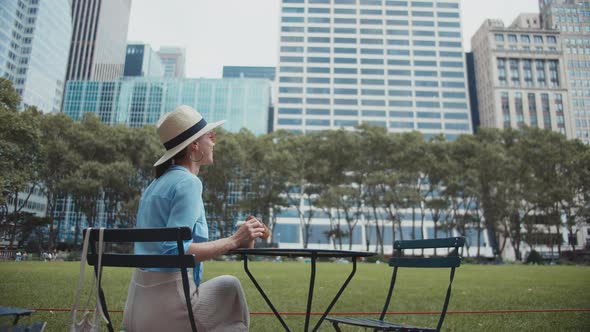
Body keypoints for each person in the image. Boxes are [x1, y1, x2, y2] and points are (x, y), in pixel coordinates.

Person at [123, 105, 266, 332]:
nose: (214, 138)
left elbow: (178, 243)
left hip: (136, 309)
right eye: (209, 135)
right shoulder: (188, 183)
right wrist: (233, 241)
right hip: (167, 310)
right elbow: (174, 250)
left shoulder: (155, 185)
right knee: (231, 288)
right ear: (194, 146)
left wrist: (239, 238)